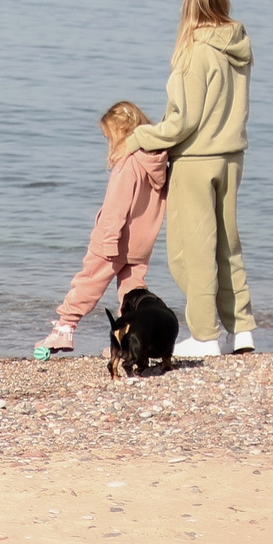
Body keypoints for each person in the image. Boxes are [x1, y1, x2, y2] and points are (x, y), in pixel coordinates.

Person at [127, 0, 254, 357]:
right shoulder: (239, 46)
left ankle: (204, 335)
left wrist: (137, 138)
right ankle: (242, 330)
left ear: (189, 8)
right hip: (231, 157)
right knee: (227, 246)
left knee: (190, 252)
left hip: (196, 160)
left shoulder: (195, 52)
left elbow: (183, 122)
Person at [34, 101, 168, 359]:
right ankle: (127, 343)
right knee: (132, 294)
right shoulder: (157, 163)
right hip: (140, 244)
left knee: (88, 282)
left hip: (114, 240)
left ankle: (65, 328)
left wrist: (108, 241)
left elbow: (117, 208)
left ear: (120, 134)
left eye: (109, 137)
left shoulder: (128, 165)